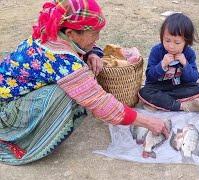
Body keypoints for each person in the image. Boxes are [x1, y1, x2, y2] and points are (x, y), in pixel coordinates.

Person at [0, 0, 169, 165]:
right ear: (70, 34)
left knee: (77, 85)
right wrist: (148, 121)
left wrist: (91, 53)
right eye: (94, 34)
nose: (98, 38)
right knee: (65, 94)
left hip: (13, 92)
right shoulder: (63, 59)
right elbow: (100, 103)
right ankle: (23, 139)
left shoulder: (51, 31)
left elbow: (81, 50)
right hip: (7, 110)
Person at [138, 13, 199, 112]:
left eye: (177, 42)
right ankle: (182, 106)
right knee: (144, 92)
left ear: (186, 41)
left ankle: (160, 103)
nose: (171, 46)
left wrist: (185, 64)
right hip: (158, 87)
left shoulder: (189, 53)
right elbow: (150, 76)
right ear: (162, 37)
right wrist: (162, 65)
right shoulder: (156, 51)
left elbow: (193, 78)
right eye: (167, 40)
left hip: (178, 87)